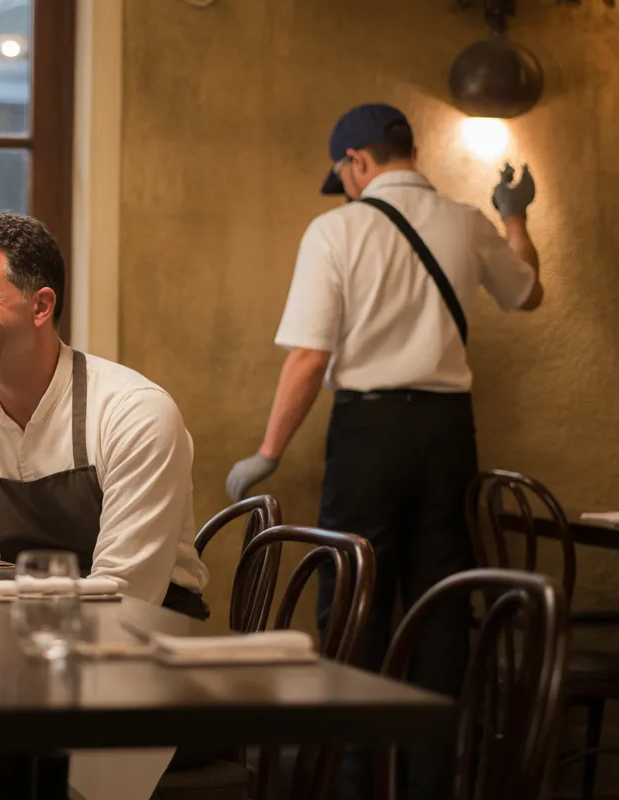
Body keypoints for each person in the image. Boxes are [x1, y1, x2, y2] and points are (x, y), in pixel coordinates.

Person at [225, 103, 543, 798]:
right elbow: (526, 292)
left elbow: (310, 357)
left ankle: (350, 780)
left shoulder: (337, 229)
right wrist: (514, 215)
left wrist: (269, 451)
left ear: (356, 163)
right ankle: (433, 780)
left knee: (354, 598)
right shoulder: (467, 222)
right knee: (443, 602)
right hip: (449, 431)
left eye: (343, 175)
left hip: (370, 432)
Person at [0, 210, 210, 618]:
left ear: (41, 306)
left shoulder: (134, 414)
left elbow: (126, 594)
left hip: (144, 648)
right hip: (7, 646)